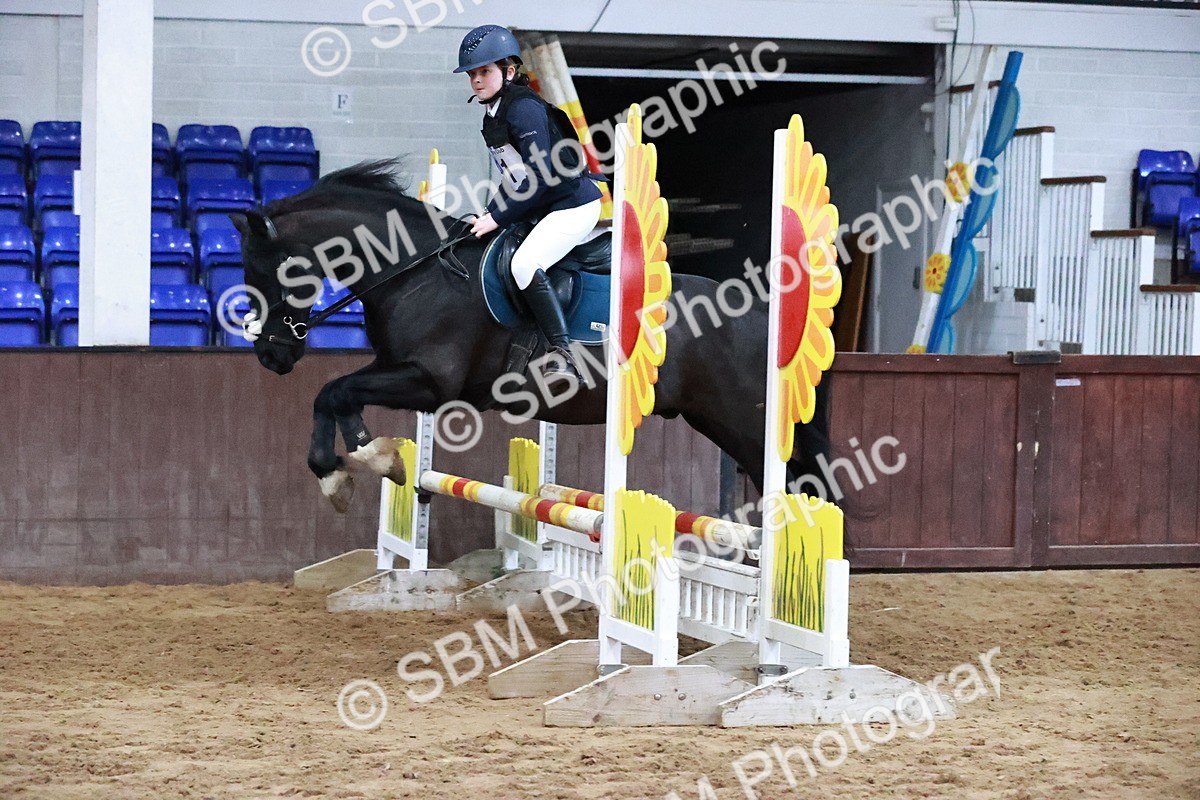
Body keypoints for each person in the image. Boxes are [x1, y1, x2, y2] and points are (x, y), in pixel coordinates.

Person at [455, 24, 602, 380]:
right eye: (473, 74)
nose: (476, 80)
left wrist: (498, 217)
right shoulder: (493, 113)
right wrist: (491, 211)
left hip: (572, 206)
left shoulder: (523, 109)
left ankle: (563, 353)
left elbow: (539, 177)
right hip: (545, 205)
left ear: (508, 71)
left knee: (524, 264)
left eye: (484, 71)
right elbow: (514, 176)